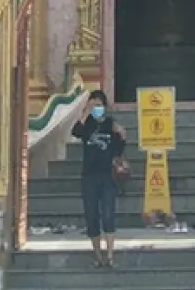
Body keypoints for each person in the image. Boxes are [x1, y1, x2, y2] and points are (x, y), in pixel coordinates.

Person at [73, 87, 127, 266]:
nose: (97, 108)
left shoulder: (110, 124)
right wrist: (85, 113)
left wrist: (122, 137)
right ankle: (97, 255)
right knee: (92, 216)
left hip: (107, 176)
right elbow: (76, 132)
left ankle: (110, 255)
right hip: (89, 176)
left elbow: (118, 148)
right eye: (93, 105)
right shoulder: (87, 125)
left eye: (99, 105)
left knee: (108, 214)